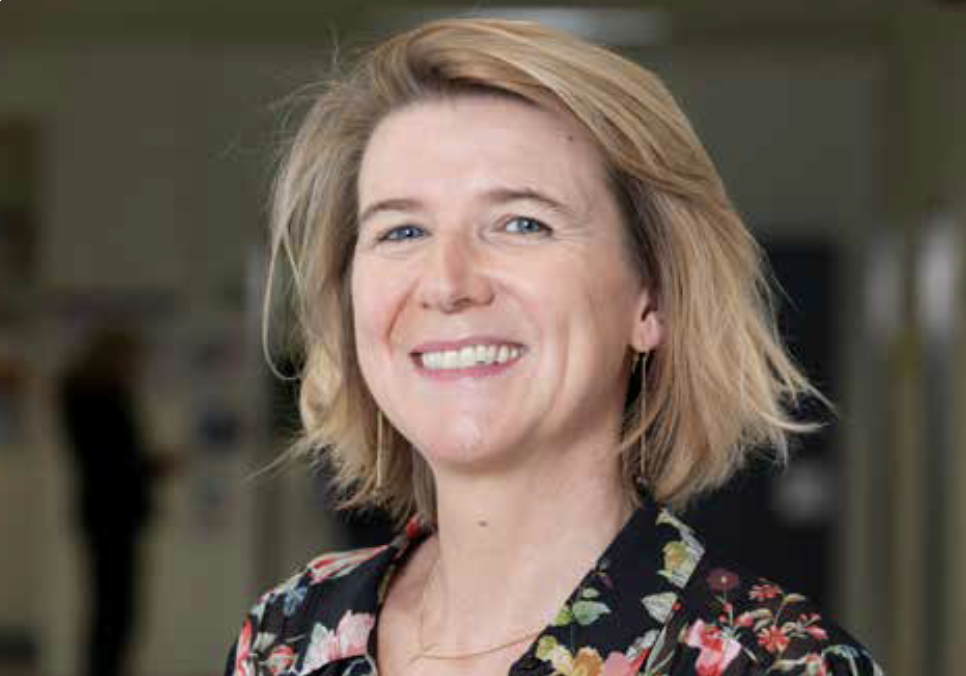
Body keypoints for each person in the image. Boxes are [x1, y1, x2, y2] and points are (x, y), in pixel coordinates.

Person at [225, 18, 882, 676]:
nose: (447, 284)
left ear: (651, 300)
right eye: (401, 231)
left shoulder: (782, 665)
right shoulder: (287, 638)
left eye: (521, 223)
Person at [59, 327, 162, 676]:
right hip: (114, 514)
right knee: (115, 610)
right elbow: (115, 461)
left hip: (104, 512)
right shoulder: (102, 398)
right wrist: (152, 465)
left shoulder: (81, 396)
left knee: (111, 608)